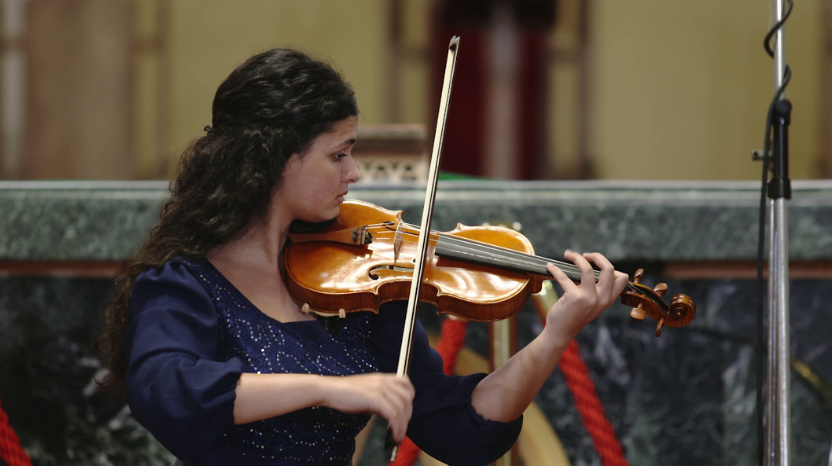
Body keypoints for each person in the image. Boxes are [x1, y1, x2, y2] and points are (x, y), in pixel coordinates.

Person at [97, 48, 629, 466]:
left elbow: (461, 429)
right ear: (273, 158)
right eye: (339, 154)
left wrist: (555, 335)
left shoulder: (356, 293)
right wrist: (329, 390)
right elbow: (168, 391)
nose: (353, 174)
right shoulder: (185, 285)